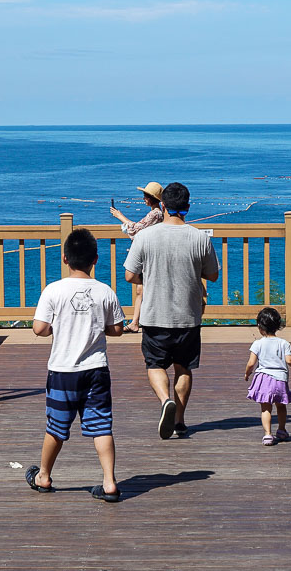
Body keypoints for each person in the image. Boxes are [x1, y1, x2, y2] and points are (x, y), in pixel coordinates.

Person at [26, 228, 126, 502]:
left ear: (64, 258)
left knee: (56, 426)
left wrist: (52, 330)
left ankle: (43, 476)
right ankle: (109, 482)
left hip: (62, 371)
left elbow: (39, 328)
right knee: (102, 425)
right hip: (96, 369)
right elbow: (116, 329)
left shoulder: (53, 290)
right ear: (95, 259)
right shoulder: (105, 291)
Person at [124, 182, 219, 440]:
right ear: (188, 207)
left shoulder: (145, 237)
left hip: (155, 314)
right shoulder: (200, 237)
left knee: (155, 364)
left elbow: (130, 275)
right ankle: (180, 421)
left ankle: (166, 400)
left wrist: (151, 274)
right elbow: (212, 275)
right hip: (188, 316)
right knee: (184, 368)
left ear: (163, 205)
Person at [244, 306, 291, 446]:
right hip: (279, 380)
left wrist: (247, 373)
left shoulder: (257, 344)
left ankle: (267, 435)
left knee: (266, 408)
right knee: (281, 406)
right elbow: (290, 360)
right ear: (278, 326)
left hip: (263, 378)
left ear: (259, 327)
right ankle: (282, 430)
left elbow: (251, 363)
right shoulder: (283, 343)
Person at [110, 181, 165, 330]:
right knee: (140, 288)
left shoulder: (156, 213)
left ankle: (140, 321)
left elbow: (136, 230)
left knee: (142, 286)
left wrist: (120, 216)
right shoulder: (157, 213)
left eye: (145, 196)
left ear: (151, 198)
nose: (143, 199)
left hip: (149, 255)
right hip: (150, 254)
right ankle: (135, 322)